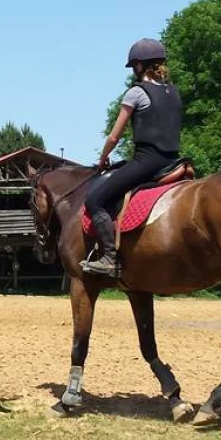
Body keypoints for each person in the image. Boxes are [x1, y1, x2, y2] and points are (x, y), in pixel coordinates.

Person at [81, 38, 183, 276]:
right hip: (174, 161)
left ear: (139, 65)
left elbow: (114, 137)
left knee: (94, 200)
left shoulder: (136, 93)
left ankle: (108, 258)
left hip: (148, 162)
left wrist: (103, 158)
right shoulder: (174, 92)